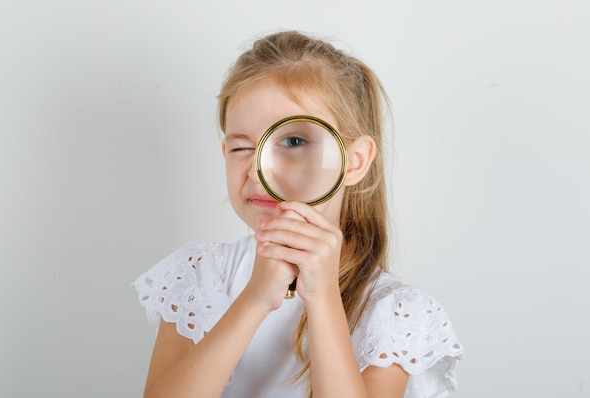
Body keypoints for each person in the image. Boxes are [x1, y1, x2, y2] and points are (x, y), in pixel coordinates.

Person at [132, 30, 463, 397]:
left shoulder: (394, 313)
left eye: (292, 141)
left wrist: (322, 299)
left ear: (353, 162)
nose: (260, 171)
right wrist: (255, 299)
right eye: (241, 147)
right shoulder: (199, 274)